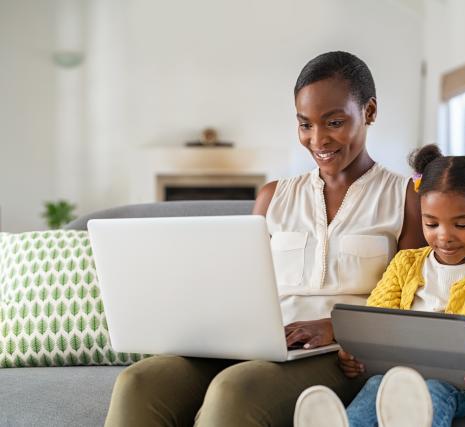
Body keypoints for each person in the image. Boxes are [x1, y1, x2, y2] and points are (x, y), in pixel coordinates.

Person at [104, 51, 424, 427]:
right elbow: (238, 289)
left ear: (369, 111)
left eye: (334, 122)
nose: (317, 139)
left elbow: (413, 305)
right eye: (305, 125)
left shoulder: (406, 197)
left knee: (234, 391)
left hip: (342, 354)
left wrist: (336, 326)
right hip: (260, 344)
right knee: (137, 382)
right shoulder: (273, 196)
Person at [293, 140, 465, 427]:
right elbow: (376, 316)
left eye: (461, 225)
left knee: (432, 392)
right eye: (431, 224)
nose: (444, 236)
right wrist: (355, 352)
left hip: (464, 386)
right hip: (399, 375)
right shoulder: (406, 264)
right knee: (378, 384)